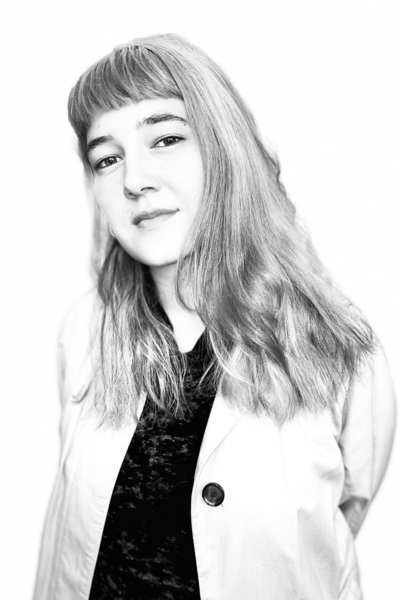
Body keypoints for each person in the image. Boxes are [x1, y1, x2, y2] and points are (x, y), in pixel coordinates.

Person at [33, 33, 396, 600]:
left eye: (166, 139)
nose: (134, 180)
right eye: (107, 158)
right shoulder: (84, 332)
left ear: (224, 148)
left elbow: (339, 521)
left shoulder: (340, 345)